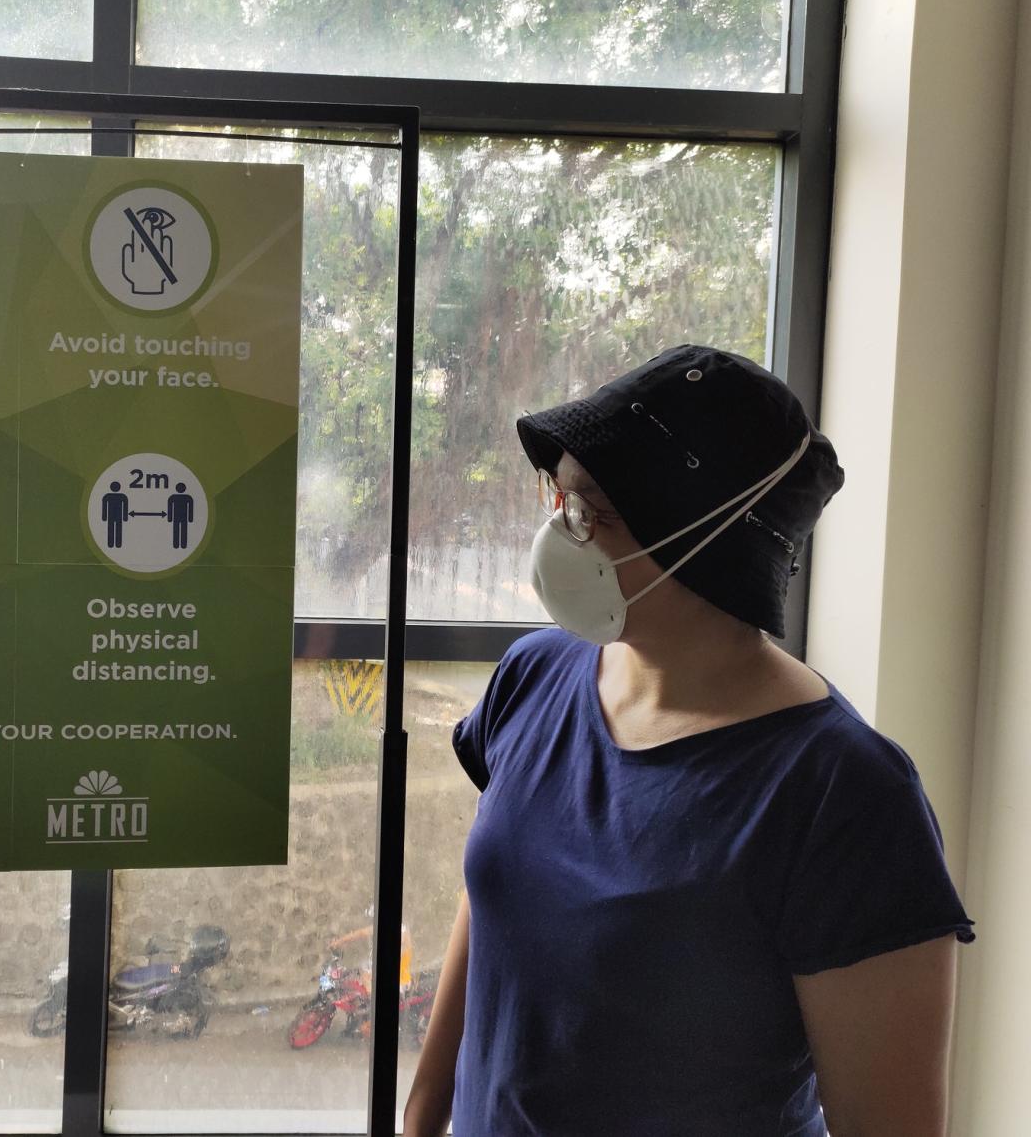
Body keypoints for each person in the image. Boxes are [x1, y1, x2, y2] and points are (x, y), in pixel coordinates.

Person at [403, 344, 974, 1137]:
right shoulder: (533, 676)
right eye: (557, 495)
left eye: (588, 510)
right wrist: (421, 1115)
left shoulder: (841, 795)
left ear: (702, 537)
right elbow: (494, 896)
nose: (555, 533)